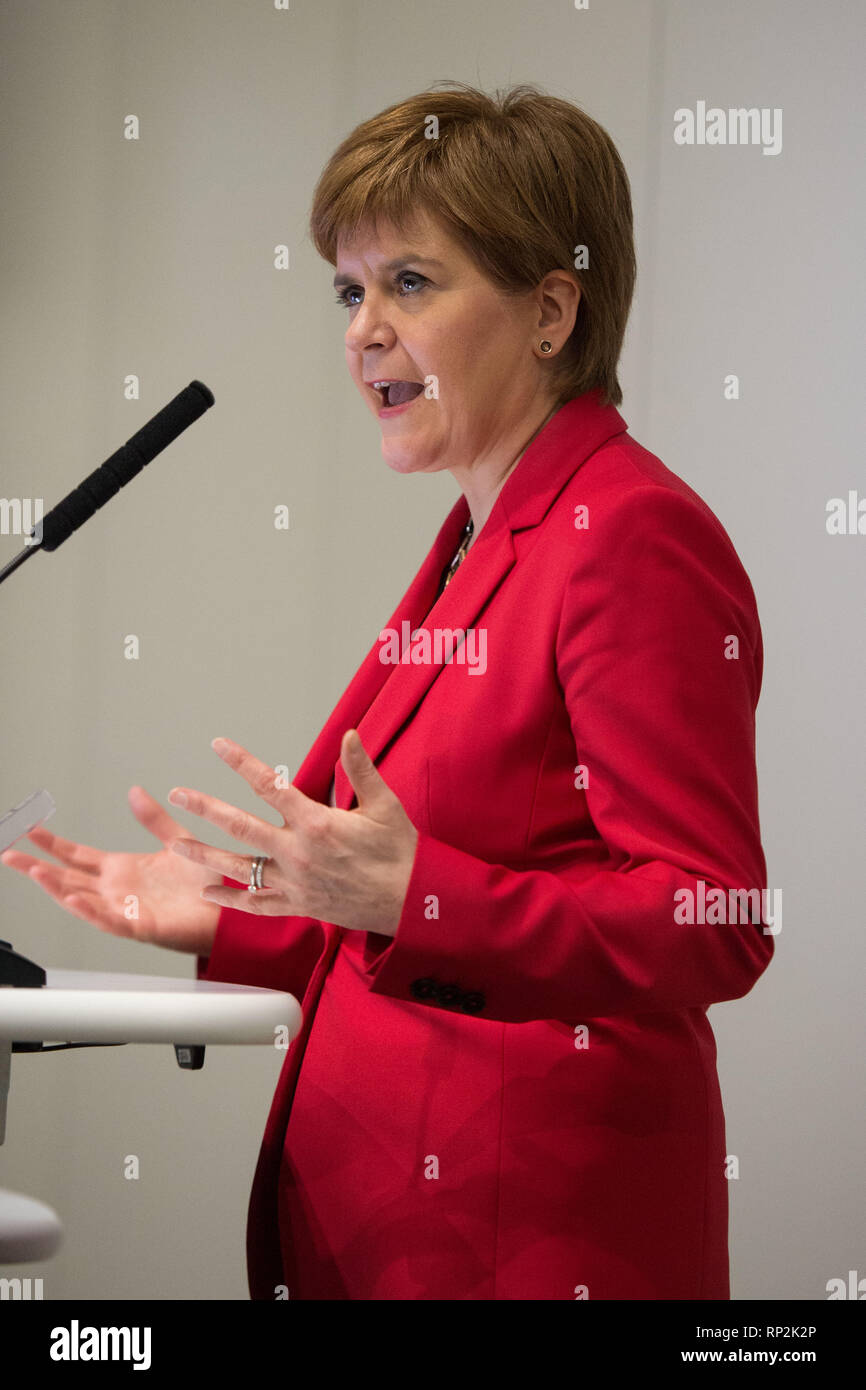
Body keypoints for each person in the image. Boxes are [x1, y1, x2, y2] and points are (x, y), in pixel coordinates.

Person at [1, 82, 773, 1300]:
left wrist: (417, 893)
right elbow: (419, 897)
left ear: (549, 311)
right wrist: (230, 911)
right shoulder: (481, 538)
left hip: (530, 1242)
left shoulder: (627, 535)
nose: (363, 329)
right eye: (349, 290)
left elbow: (713, 912)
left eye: (409, 283)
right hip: (401, 1234)